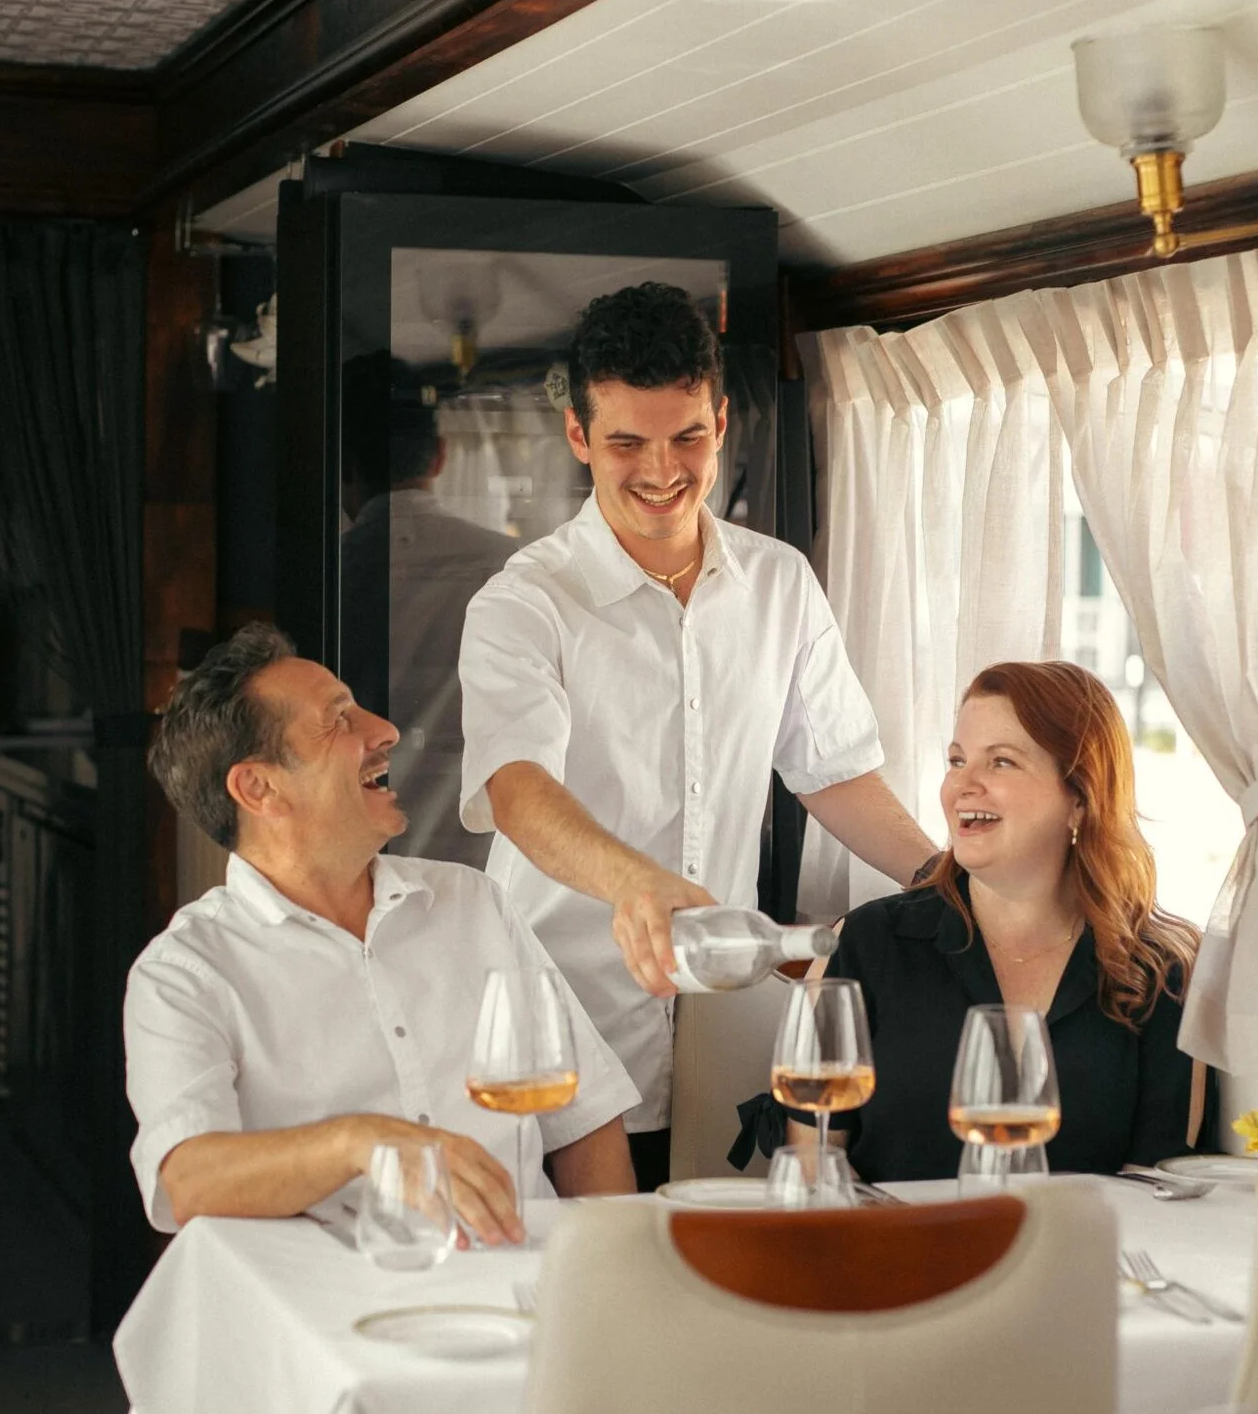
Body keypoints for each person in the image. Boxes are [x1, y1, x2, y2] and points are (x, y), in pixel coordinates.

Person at [459, 283, 936, 1189]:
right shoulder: (523, 603)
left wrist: (944, 880)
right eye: (626, 442)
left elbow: (832, 772)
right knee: (579, 1302)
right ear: (577, 437)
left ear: (722, 420)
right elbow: (517, 790)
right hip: (565, 1031)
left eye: (687, 437)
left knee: (715, 1290)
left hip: (725, 1024)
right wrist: (638, 884)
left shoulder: (780, 583)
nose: (660, 469)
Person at [127, 623, 638, 1246]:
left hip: (519, 1291)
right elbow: (187, 1181)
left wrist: (615, 1272)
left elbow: (583, 1123)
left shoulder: (474, 904)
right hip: (329, 1314)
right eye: (338, 720)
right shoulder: (185, 973)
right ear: (258, 787)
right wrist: (358, 1141)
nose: (385, 731)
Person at [778, 660, 1212, 1182]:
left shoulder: (1162, 971)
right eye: (957, 760)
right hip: (892, 1256)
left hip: (1079, 1260)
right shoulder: (869, 943)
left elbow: (1156, 1186)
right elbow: (814, 1164)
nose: (964, 784)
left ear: (1079, 797)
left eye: (1001, 762)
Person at [339, 392, 521, 869]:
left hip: (353, 852)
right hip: (482, 852)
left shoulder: (326, 575)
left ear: (345, 468)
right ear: (440, 456)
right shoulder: (513, 568)